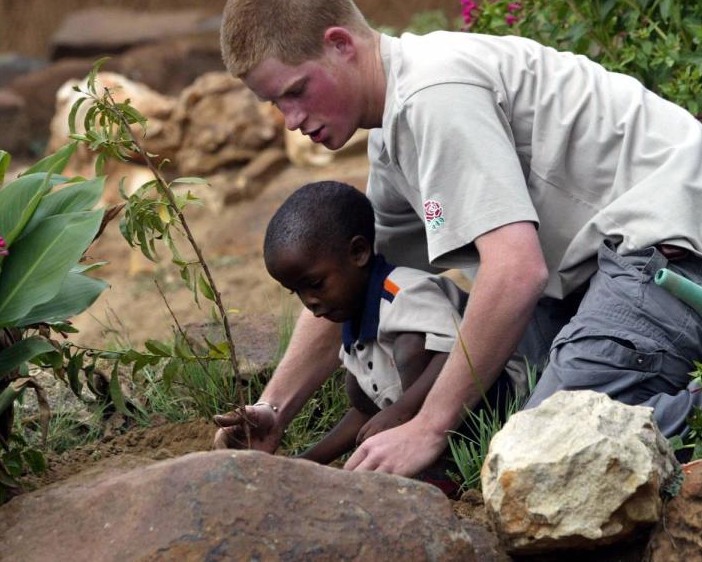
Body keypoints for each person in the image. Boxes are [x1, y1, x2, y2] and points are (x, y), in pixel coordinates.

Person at [213, 0, 702, 476]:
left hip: (696, 258)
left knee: (545, 452)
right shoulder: (397, 129)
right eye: (276, 104)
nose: (290, 118)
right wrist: (273, 408)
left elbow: (516, 273)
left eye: (295, 91)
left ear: (340, 43)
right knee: (506, 426)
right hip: (632, 268)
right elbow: (357, 275)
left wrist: (429, 426)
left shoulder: (433, 94)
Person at [215, 180, 522, 467]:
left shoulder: (404, 293)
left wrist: (401, 413)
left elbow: (458, 353)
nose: (309, 302)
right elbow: (366, 412)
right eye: (297, 292)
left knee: (410, 347)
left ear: (359, 253)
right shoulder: (353, 322)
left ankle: (445, 467)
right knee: (357, 386)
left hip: (497, 396)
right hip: (432, 409)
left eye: (316, 284)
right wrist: (303, 465)